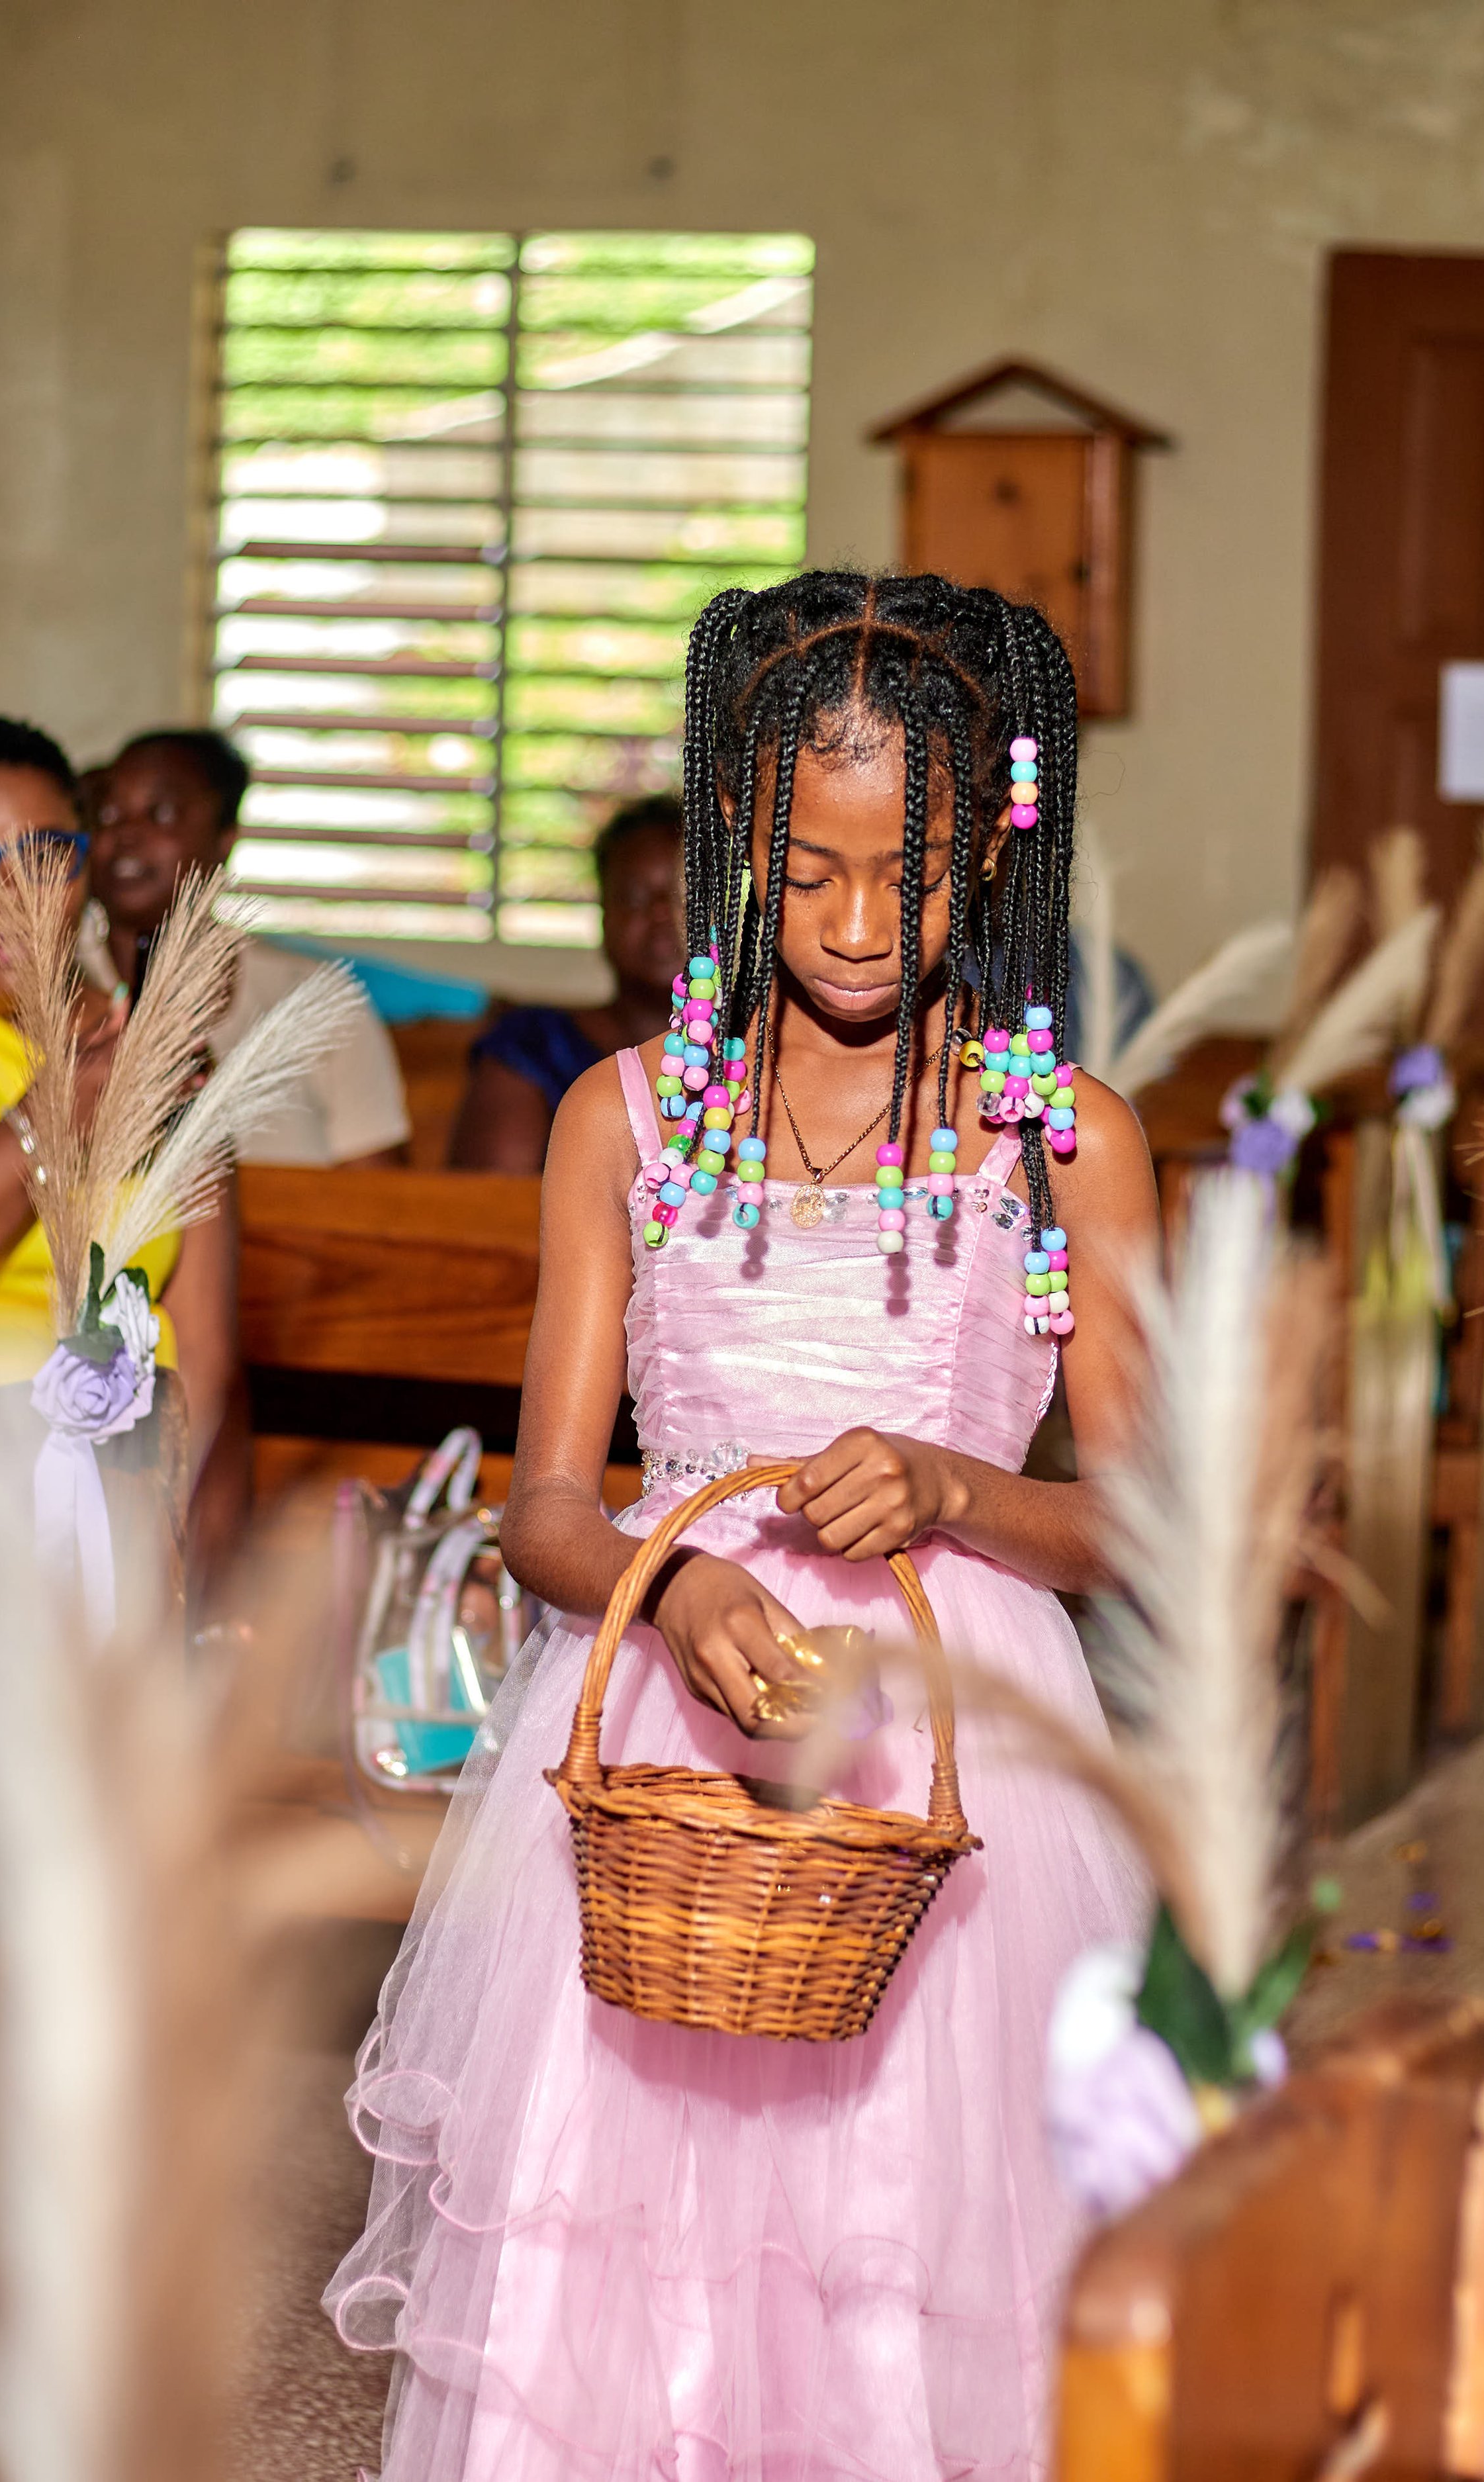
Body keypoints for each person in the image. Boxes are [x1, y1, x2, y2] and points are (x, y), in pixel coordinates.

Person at [325, 574, 1156, 2480]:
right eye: (806, 873)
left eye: (915, 874)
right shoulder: (624, 1119)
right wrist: (671, 1579)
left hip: (957, 1760)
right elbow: (544, 1503)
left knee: (908, 2236)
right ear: (731, 844)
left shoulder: (1062, 1137)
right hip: (653, 1746)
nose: (861, 926)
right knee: (628, 2244)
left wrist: (954, 1487)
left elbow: (1129, 1526)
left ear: (996, 854)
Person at [0, 716, 237, 1478]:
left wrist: (174, 1576)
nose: (12, 893)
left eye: (46, 855)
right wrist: (55, 1114)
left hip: (123, 1503)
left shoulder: (147, 1047)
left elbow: (206, 1359)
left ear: (87, 866)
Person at [90, 729, 410, 1167]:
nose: (125, 833)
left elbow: (382, 1209)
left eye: (161, 813)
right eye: (107, 813)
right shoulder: (51, 996)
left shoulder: (318, 1002)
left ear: (226, 838)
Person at [448, 792, 684, 1171]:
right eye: (635, 897)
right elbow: (487, 1212)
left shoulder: (760, 1051)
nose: (660, 913)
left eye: (681, 895)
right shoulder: (532, 1046)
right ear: (603, 915)